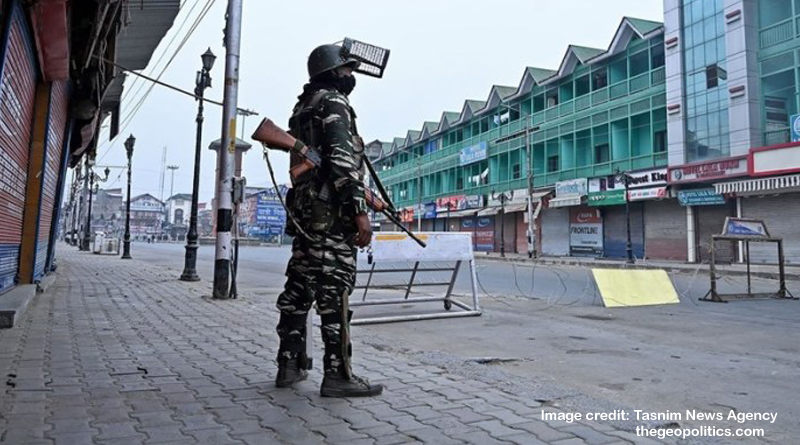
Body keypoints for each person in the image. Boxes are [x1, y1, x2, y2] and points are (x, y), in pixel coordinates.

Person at [274, 43, 382, 397]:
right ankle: (338, 374)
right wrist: (359, 212)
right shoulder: (334, 102)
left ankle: (289, 366)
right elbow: (340, 162)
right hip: (331, 218)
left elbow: (315, 166)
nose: (351, 76)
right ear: (334, 71)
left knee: (297, 292)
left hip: (306, 216)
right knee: (334, 295)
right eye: (347, 70)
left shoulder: (302, 107)